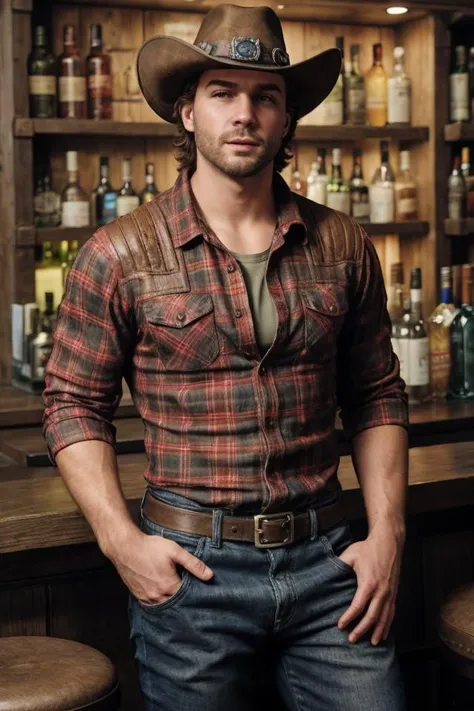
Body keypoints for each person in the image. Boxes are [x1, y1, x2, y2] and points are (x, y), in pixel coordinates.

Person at [43, 4, 409, 710]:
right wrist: (123, 542)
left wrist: (387, 534)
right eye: (223, 93)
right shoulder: (118, 254)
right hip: (192, 574)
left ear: (287, 119)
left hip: (331, 564)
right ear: (187, 111)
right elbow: (72, 403)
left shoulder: (343, 245)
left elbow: (378, 394)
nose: (244, 113)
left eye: (265, 96)